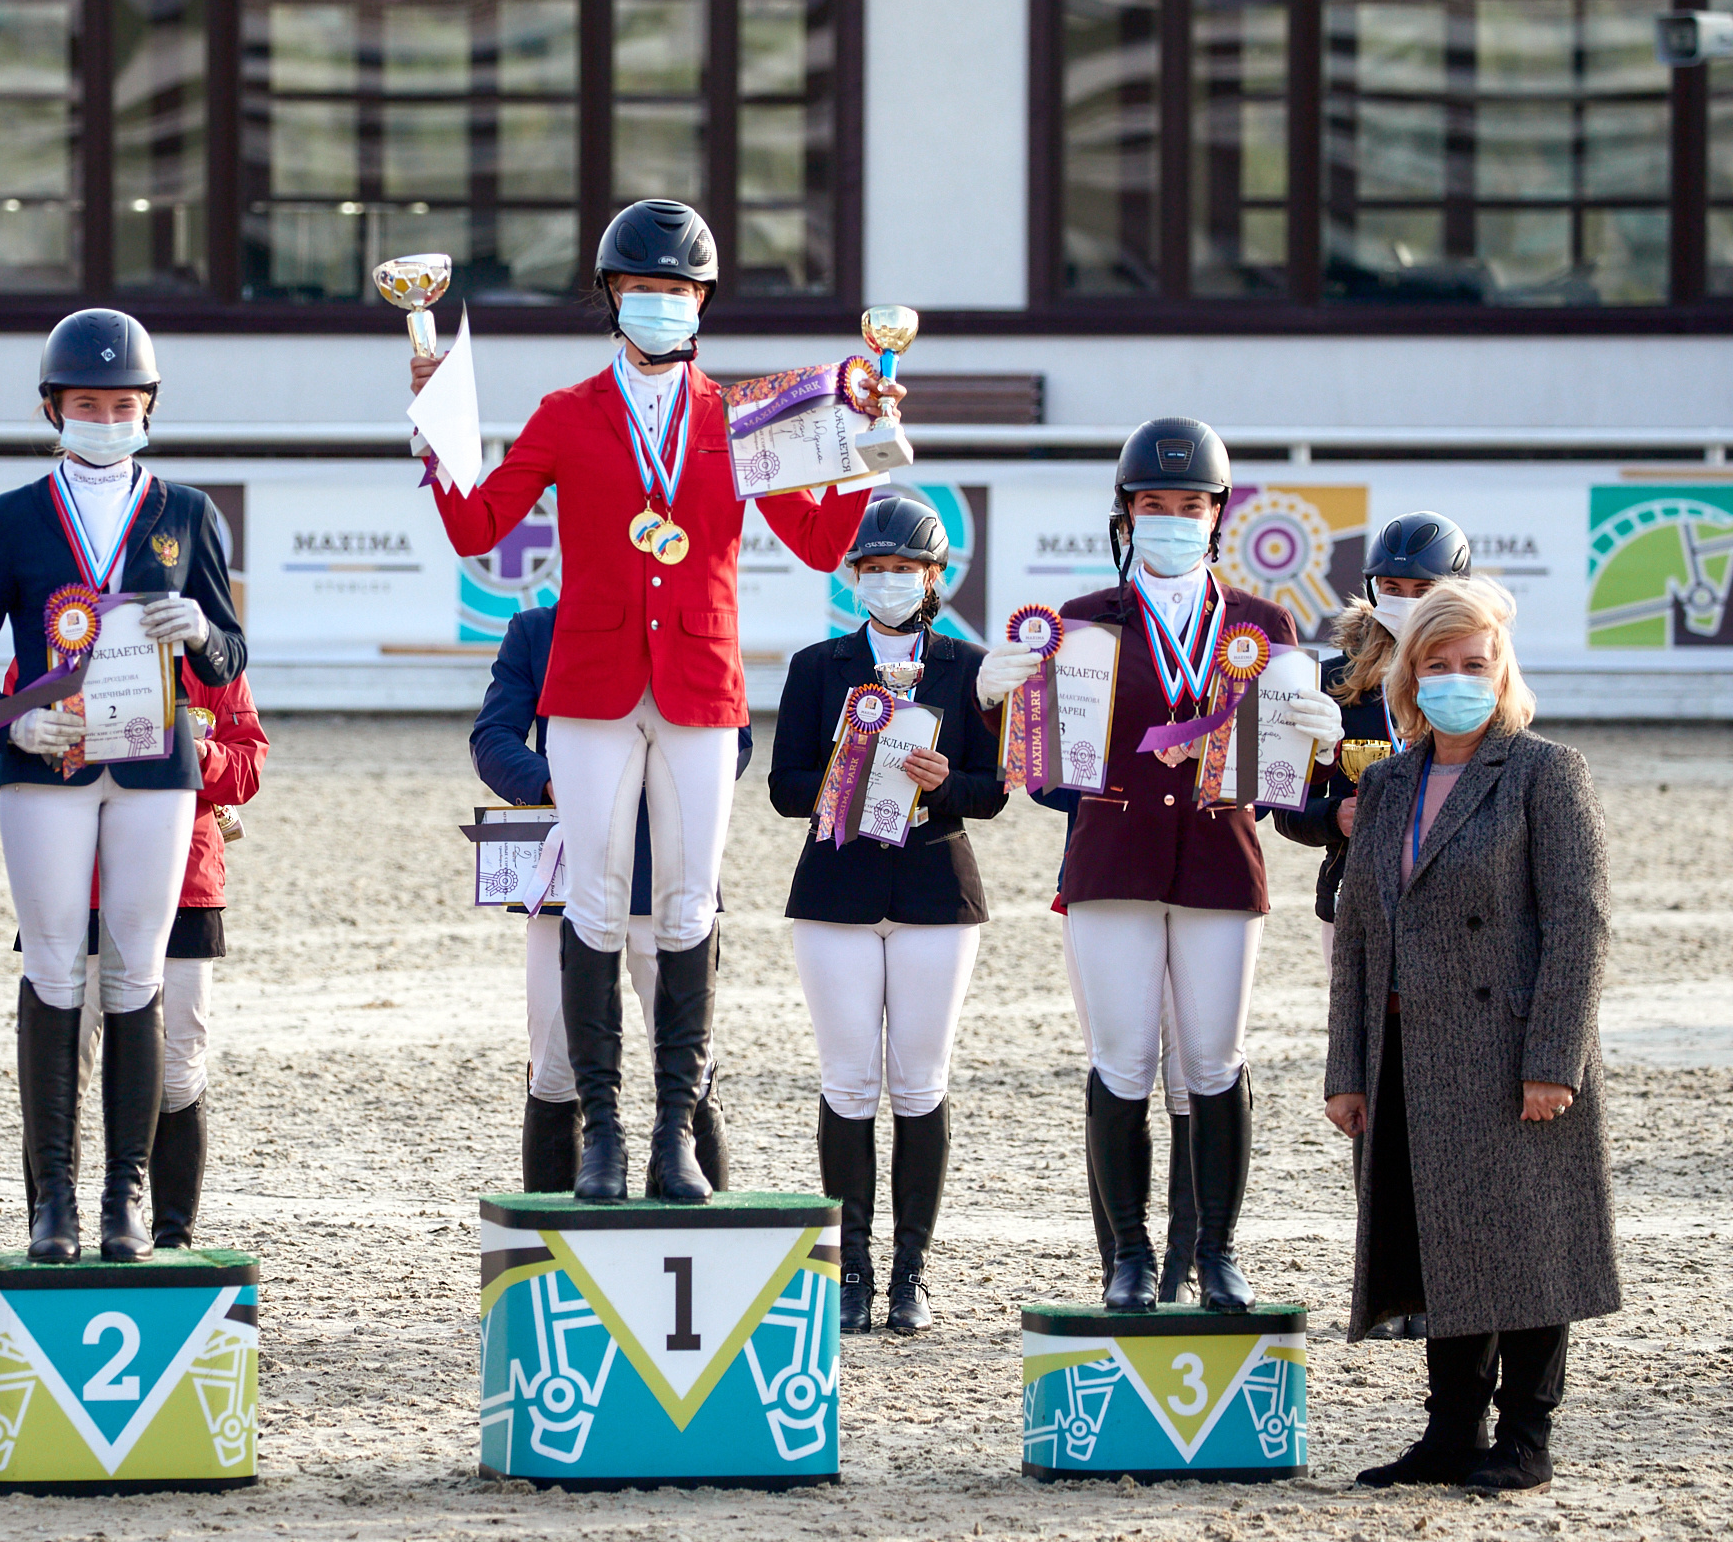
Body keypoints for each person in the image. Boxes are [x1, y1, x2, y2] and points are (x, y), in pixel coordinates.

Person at [409, 200, 889, 1205]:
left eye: (676, 292)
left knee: (685, 905)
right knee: (592, 898)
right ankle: (604, 1133)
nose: (659, 307)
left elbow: (817, 545)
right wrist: (438, 439)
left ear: (700, 302)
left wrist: (863, 450)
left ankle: (676, 1129)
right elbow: (477, 527)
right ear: (610, 297)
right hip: (587, 686)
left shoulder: (741, 415)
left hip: (701, 686)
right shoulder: (563, 414)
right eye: (641, 291)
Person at [973, 419, 1343, 1313]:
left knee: (1214, 1058)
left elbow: (1284, 770)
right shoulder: (1080, 624)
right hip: (1114, 858)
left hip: (1220, 859)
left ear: (1217, 516)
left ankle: (1216, 1251)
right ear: (1127, 514)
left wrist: (1325, 750)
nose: (1172, 519)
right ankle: (1130, 1254)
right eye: (1154, 505)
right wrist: (993, 706)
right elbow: (1044, 769)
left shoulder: (1262, 623)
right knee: (1124, 1056)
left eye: (1190, 505)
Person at [0, 309, 245, 1266]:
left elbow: (233, 653)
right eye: (87, 405)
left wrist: (198, 631)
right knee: (54, 970)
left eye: (123, 404)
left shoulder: (187, 514)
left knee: (138, 975)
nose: (106, 418)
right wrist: (9, 718)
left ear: (147, 408)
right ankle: (53, 1198)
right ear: (53, 410)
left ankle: (124, 1196)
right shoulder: (14, 517)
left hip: (156, 769)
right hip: (49, 763)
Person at [1324, 578, 1618, 1495]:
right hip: (1408, 1050)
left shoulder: (1545, 771)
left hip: (1514, 1049)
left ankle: (1526, 1437)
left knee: (1528, 1242)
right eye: (1438, 664)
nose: (1457, 678)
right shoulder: (1390, 783)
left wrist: (1553, 1061)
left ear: (1502, 671)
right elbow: (1360, 932)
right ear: (1411, 676)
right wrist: (1347, 1066)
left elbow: (1580, 922)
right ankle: (1451, 1431)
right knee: (1439, 1238)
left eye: (1474, 664)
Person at [768, 497, 1006, 1334]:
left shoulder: (969, 667)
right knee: (847, 1080)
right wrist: (844, 768)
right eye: (872, 568)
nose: (888, 581)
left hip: (936, 889)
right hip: (836, 891)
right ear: (853, 576)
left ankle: (911, 1271)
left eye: (903, 568)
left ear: (934, 576)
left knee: (920, 1080)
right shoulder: (816, 665)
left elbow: (996, 789)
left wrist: (946, 781)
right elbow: (782, 786)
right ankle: (851, 1269)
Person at [1272, 508, 1471, 1340]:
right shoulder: (1330, 680)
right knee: (1374, 1093)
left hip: (1463, 915)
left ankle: (1451, 1278)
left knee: (1450, 1093)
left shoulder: (1476, 674)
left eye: (1423, 588)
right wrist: (1337, 817)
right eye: (1393, 588)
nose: (1407, 600)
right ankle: (1387, 1281)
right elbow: (1285, 806)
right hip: (1357, 906)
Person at [469, 603, 747, 1196]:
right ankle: (550, 1243)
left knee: (691, 1070)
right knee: (554, 1065)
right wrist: (557, 778)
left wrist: (666, 781)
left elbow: (733, 741)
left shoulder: (696, 624)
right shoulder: (537, 632)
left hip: (666, 870)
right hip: (569, 873)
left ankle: (706, 1226)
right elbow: (492, 737)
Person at [73, 661, 267, 1247]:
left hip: (186, 884)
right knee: (65, 1065)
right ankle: (53, 1225)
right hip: (79, 885)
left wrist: (190, 749)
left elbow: (248, 770)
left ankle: (173, 1238)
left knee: (179, 1069)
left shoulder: (211, 657)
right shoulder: (71, 632)